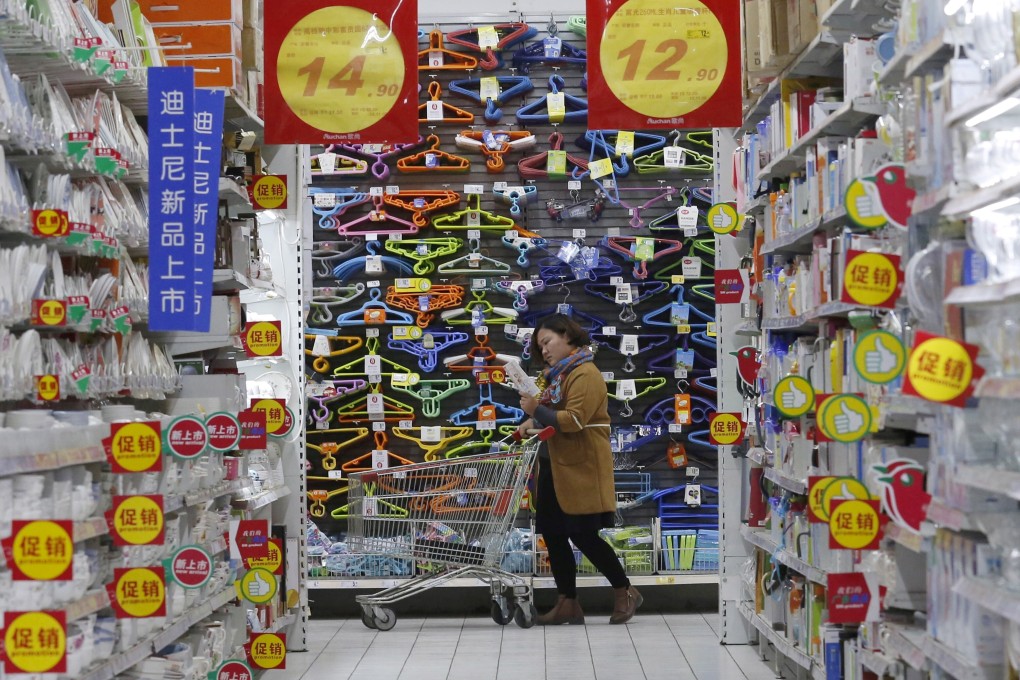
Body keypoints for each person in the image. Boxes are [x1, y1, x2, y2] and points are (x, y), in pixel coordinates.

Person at [516, 314, 642, 625]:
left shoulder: (586, 374)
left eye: (548, 342)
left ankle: (625, 590)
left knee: (584, 534)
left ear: (569, 336)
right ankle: (567, 602)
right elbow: (554, 414)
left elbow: (572, 420)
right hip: (554, 466)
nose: (544, 350)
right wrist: (532, 421)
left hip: (581, 467)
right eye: (540, 346)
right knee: (554, 534)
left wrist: (536, 409)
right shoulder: (557, 377)